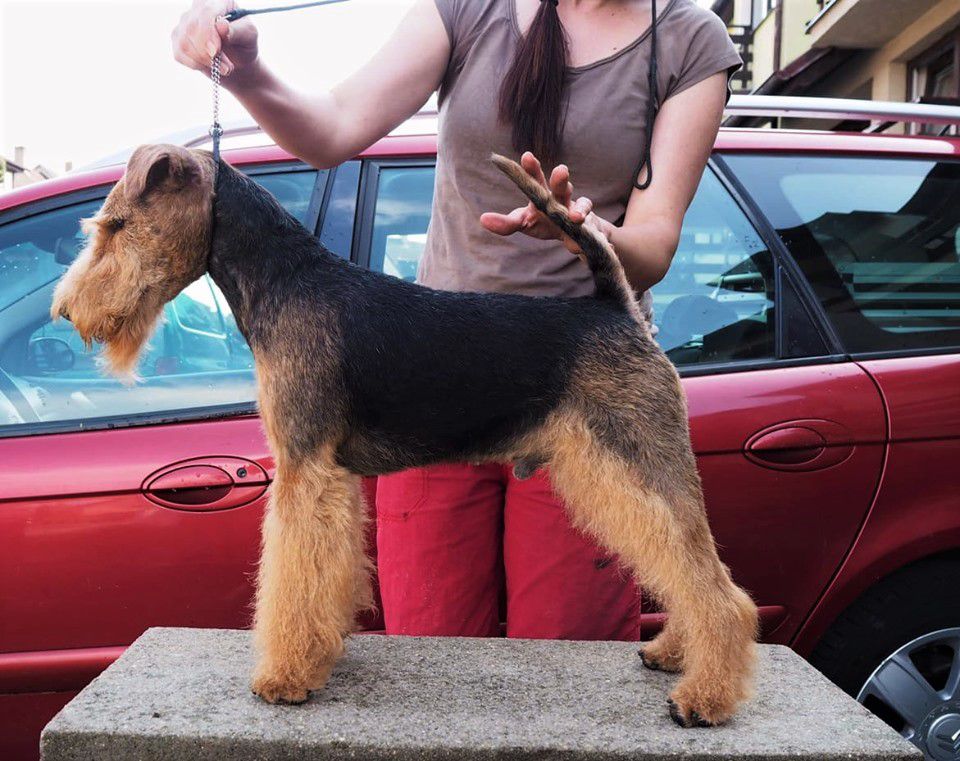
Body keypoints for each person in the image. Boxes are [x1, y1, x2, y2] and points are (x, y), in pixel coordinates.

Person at [172, 0, 742, 641]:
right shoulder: (468, 8)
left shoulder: (689, 37)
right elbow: (329, 131)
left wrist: (587, 234)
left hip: (583, 374)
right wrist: (246, 72)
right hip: (428, 371)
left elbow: (655, 244)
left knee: (570, 659)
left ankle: (716, 643)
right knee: (428, 647)